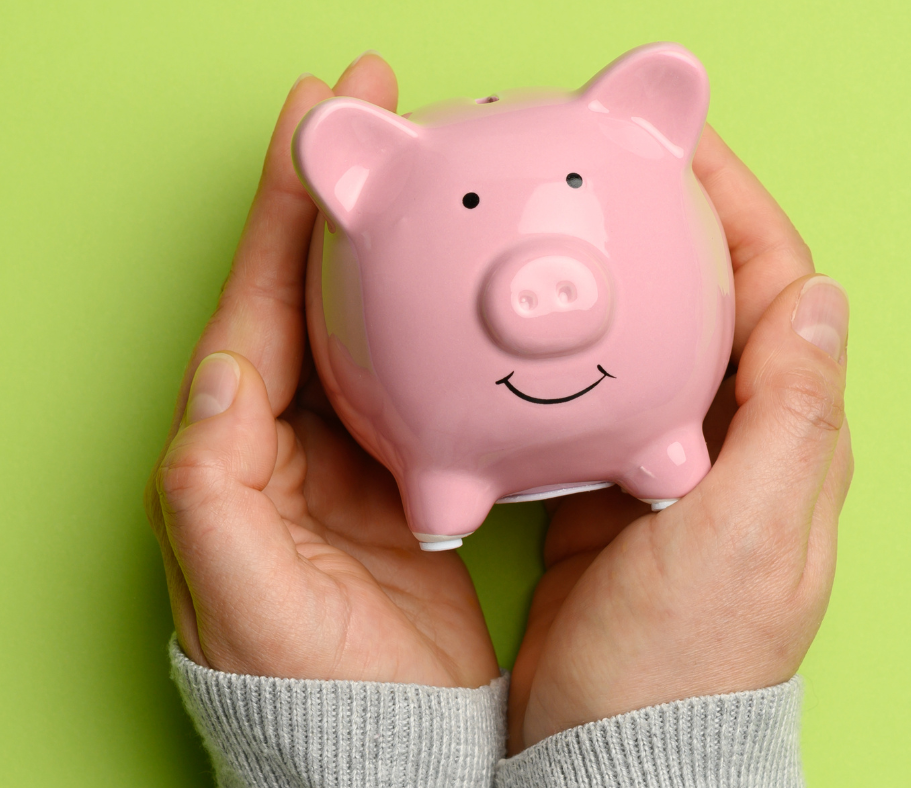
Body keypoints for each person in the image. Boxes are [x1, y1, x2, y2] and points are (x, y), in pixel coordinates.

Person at [144, 52, 852, 788]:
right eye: (471, 206)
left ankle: (654, 449)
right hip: (433, 451)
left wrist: (342, 751)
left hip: (636, 428)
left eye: (576, 188)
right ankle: (456, 480)